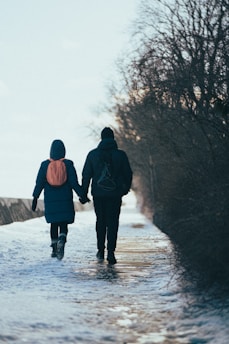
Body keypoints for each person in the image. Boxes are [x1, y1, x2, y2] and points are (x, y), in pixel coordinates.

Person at [81, 127, 133, 264]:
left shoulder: (92, 155)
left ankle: (100, 250)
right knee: (113, 222)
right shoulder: (121, 155)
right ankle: (111, 252)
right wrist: (125, 190)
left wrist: (83, 194)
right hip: (115, 195)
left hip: (98, 195)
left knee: (101, 221)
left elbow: (86, 175)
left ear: (102, 138)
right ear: (113, 138)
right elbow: (128, 174)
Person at [32, 139, 86, 260]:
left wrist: (35, 198)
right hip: (65, 198)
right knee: (63, 223)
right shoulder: (68, 164)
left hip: (50, 200)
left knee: (53, 224)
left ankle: (54, 249)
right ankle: (62, 238)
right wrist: (82, 195)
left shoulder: (45, 165)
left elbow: (39, 183)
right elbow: (74, 183)